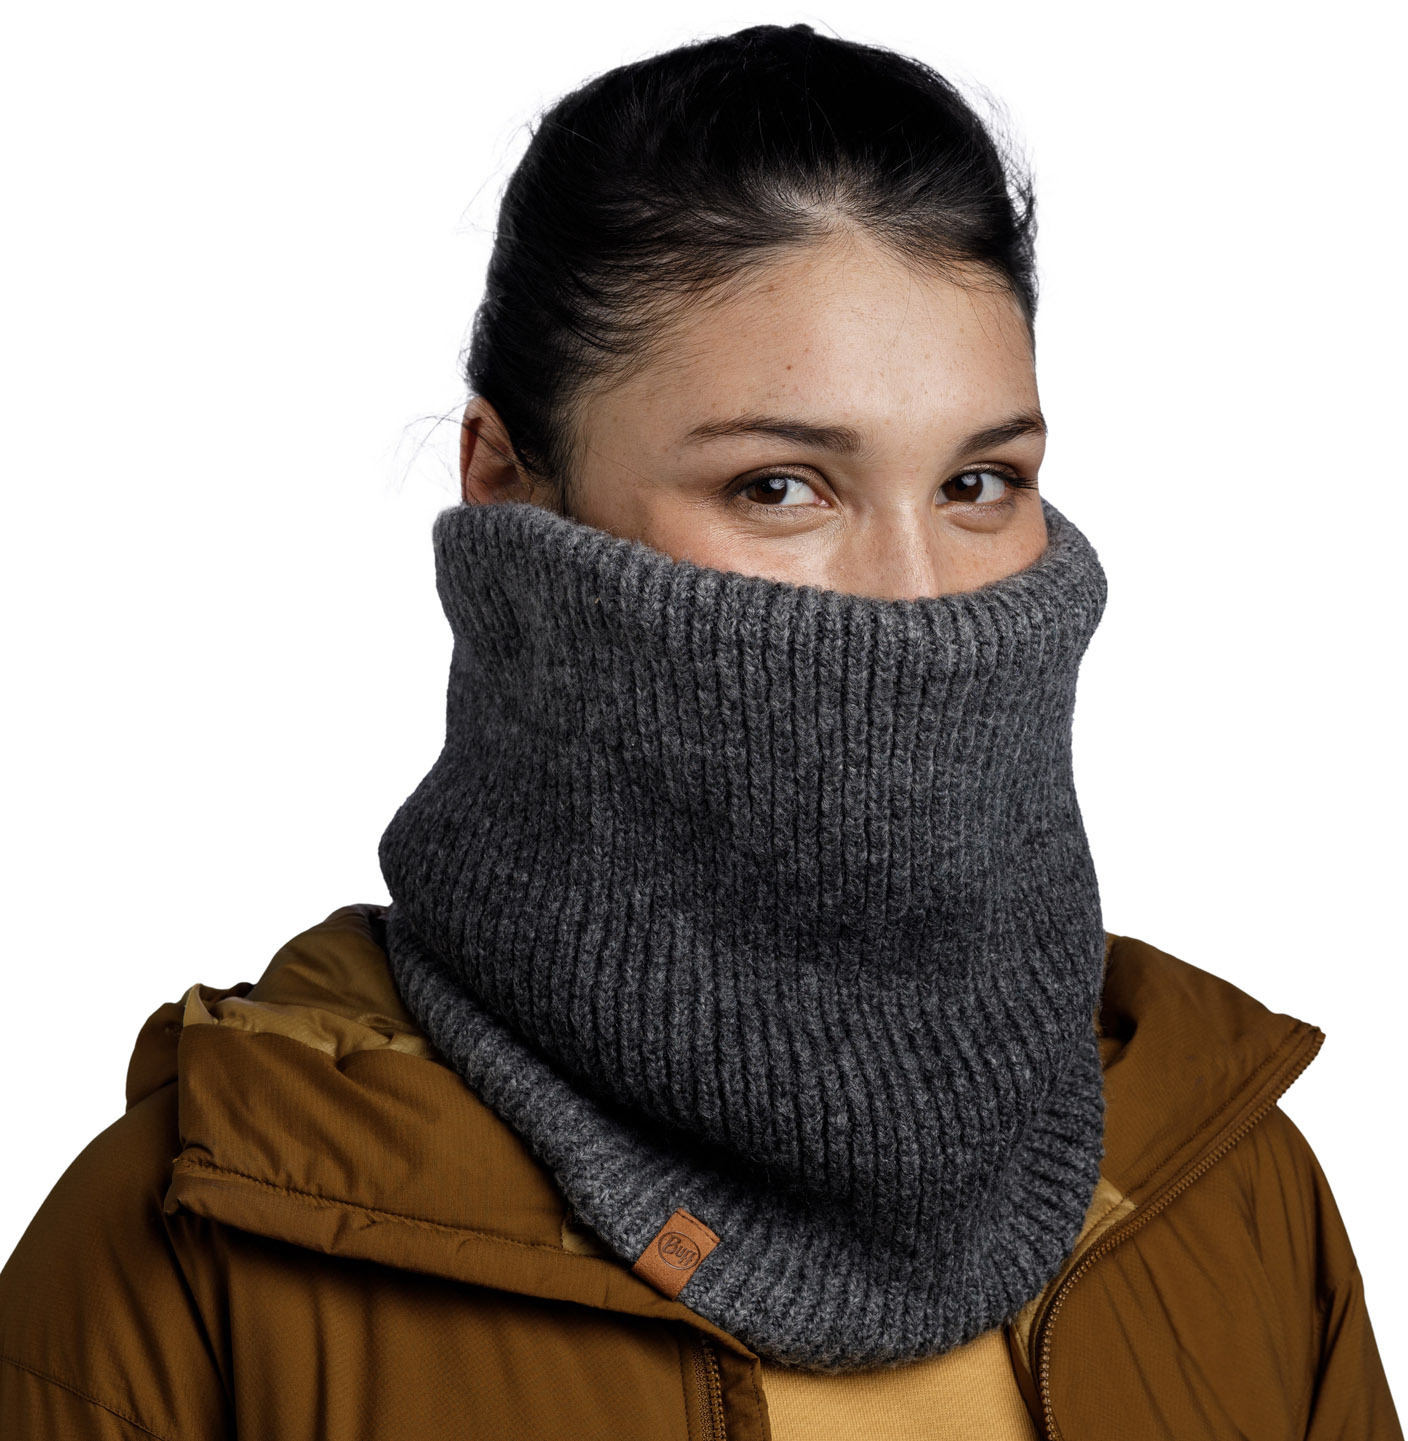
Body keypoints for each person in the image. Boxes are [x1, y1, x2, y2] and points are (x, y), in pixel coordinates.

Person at [0, 21, 1400, 1440]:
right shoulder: (210, 1254)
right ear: (508, 482)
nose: (918, 602)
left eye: (980, 482)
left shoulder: (1226, 1191)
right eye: (779, 487)